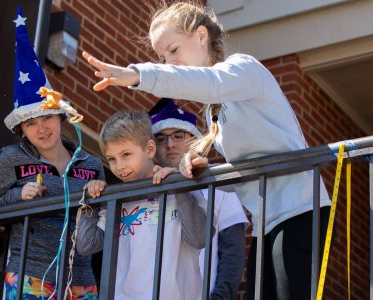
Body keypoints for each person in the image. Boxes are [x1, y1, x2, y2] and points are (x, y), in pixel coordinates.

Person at [81, 2, 332, 299]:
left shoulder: (242, 68)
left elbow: (210, 82)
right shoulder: (213, 108)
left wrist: (139, 75)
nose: (169, 62)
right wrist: (192, 164)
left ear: (201, 36)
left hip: (301, 210)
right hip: (266, 222)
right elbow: (239, 166)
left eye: (173, 51)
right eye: (162, 57)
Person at [0, 6, 103, 299]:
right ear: (22, 130)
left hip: (81, 279)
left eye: (47, 118)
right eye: (31, 123)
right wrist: (18, 197)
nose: (41, 129)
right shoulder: (11, 158)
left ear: (60, 118)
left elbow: (102, 224)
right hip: (29, 275)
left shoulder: (91, 164)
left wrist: (99, 197)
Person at [76, 110, 212, 300]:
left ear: (149, 149)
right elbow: (86, 245)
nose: (119, 166)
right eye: (112, 159)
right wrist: (91, 200)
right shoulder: (116, 199)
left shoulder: (180, 186)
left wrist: (177, 187)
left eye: (126, 154)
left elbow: (199, 238)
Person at [149, 98, 248, 300]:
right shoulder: (142, 191)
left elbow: (232, 254)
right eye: (160, 138)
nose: (169, 144)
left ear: (194, 140)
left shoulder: (221, 189)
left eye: (178, 136)